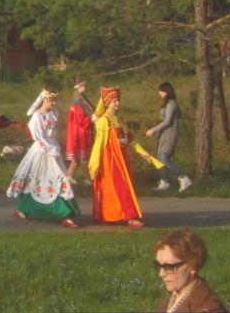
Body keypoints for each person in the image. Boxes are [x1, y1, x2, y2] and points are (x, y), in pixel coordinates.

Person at [6, 90, 81, 227]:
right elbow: (38, 137)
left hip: (53, 148)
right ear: (43, 100)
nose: (53, 103)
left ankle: (65, 214)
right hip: (42, 151)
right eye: (50, 101)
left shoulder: (53, 112)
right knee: (37, 180)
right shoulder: (37, 116)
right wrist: (49, 148)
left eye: (54, 101)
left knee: (60, 178)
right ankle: (25, 209)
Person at [88, 86, 145, 228]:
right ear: (107, 102)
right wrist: (95, 163)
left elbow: (131, 139)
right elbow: (99, 144)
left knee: (120, 187)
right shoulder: (103, 121)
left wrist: (143, 153)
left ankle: (110, 215)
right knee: (120, 187)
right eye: (114, 101)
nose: (118, 103)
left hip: (122, 160)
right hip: (110, 160)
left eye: (118, 100)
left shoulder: (120, 120)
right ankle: (130, 217)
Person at [153, 229, 226, 313]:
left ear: (192, 265)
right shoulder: (172, 299)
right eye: (159, 265)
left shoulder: (210, 311)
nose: (161, 274)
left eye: (169, 267)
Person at [146, 82, 192, 192]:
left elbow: (167, 121)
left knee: (164, 158)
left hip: (170, 133)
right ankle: (164, 181)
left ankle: (182, 177)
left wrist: (153, 129)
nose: (160, 93)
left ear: (167, 91)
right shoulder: (166, 104)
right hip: (163, 133)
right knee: (159, 158)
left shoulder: (171, 104)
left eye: (162, 91)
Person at [64, 78, 95, 184]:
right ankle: (88, 178)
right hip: (80, 131)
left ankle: (69, 175)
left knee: (79, 157)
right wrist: (92, 119)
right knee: (83, 157)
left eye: (86, 86)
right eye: (83, 86)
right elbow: (80, 118)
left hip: (81, 130)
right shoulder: (78, 100)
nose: (85, 88)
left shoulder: (82, 98)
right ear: (79, 87)